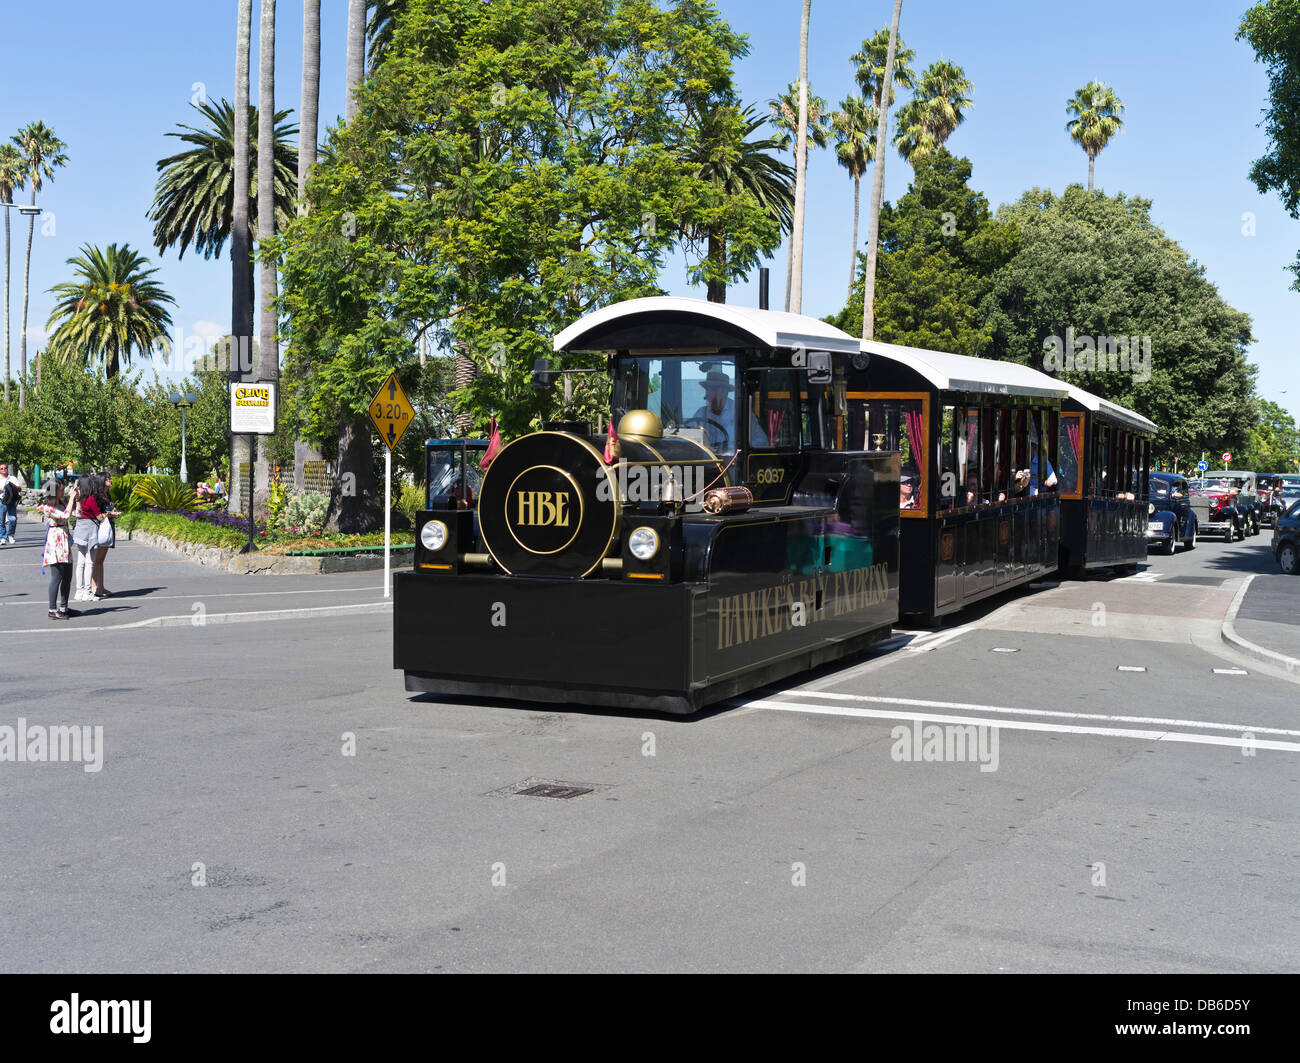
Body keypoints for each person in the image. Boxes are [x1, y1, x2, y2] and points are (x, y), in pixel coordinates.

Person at [686, 369, 768, 453]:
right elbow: (688, 440)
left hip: (733, 462)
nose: (707, 393)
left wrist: (736, 449)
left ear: (724, 391)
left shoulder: (740, 412)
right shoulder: (701, 413)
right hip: (708, 461)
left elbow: (762, 442)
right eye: (707, 389)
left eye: (711, 388)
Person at [40, 478, 78, 620]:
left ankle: (64, 608)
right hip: (55, 544)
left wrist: (77, 500)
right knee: (56, 577)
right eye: (61, 489)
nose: (64, 491)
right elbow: (66, 515)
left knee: (67, 577)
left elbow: (76, 514)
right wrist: (72, 498)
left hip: (65, 543)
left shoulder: (62, 503)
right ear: (54, 491)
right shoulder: (47, 507)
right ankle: (52, 609)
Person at [71, 474, 104, 603]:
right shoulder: (91, 499)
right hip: (90, 530)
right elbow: (99, 516)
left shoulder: (78, 499)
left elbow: (77, 513)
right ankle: (88, 591)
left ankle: (79, 591)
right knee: (90, 562)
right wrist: (109, 514)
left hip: (80, 529)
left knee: (80, 562)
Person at [90, 472, 120, 598]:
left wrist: (113, 513)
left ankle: (100, 587)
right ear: (102, 481)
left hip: (108, 528)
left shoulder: (107, 495)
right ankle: (94, 587)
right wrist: (110, 514)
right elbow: (98, 514)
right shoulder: (97, 496)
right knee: (96, 560)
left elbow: (107, 510)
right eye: (108, 478)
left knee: (100, 561)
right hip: (100, 529)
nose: (111, 480)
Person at [0, 461, 19, 544]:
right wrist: (4, 489)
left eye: (5, 468)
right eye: (2, 468)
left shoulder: (13, 478)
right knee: (1, 521)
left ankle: (10, 535)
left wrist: (14, 488)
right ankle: (2, 537)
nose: (4, 469)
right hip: (1, 501)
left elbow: (19, 488)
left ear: (7, 469)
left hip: (11, 501)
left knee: (13, 519)